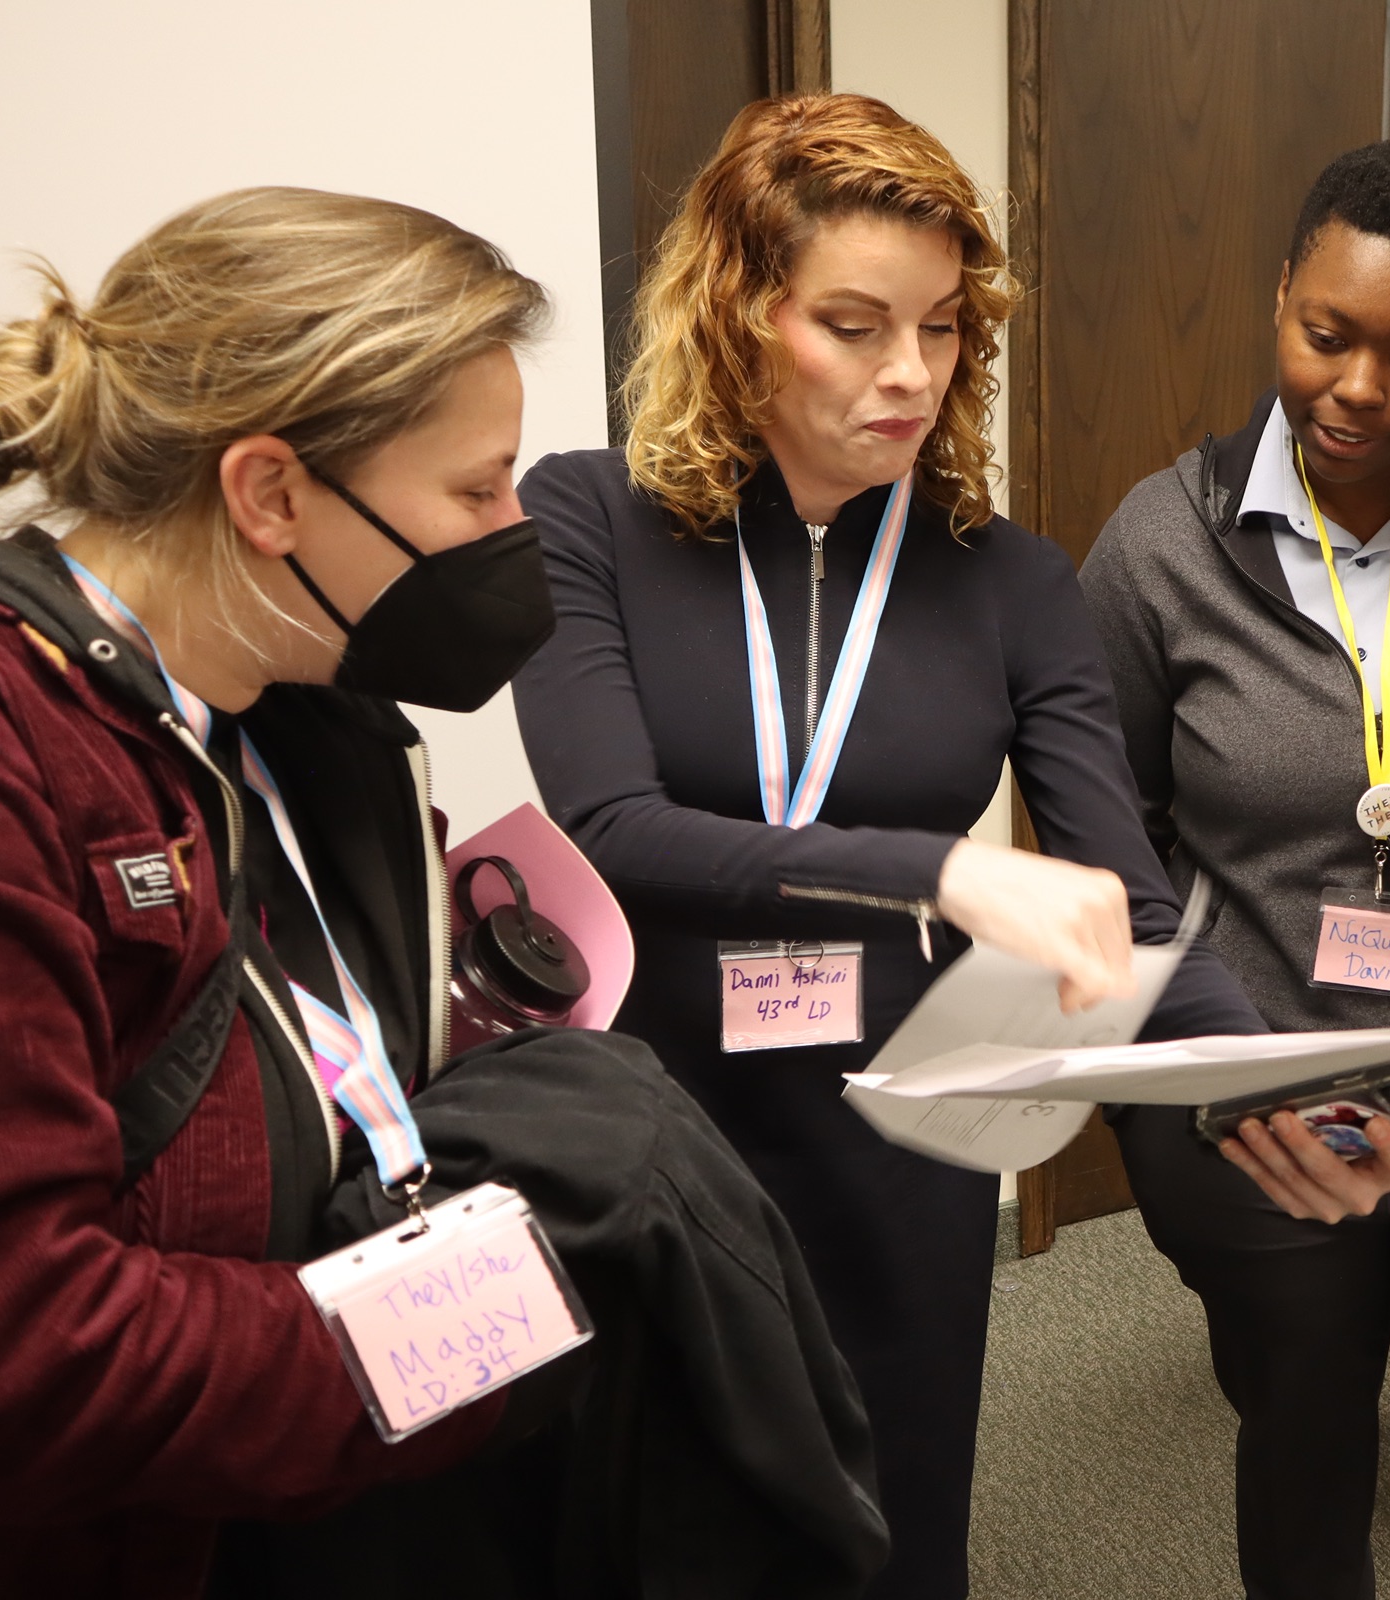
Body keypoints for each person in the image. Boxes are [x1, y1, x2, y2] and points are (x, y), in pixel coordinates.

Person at [0, 187, 885, 1600]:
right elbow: (27, 1362)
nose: (513, 535)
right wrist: (488, 1323)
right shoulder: (0, 756)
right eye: (476, 492)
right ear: (270, 494)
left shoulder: (304, 727)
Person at [511, 92, 1279, 1599]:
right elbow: (615, 830)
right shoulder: (588, 518)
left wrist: (1275, 1087)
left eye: (940, 326)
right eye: (854, 325)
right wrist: (942, 869)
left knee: (891, 1521)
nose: (910, 373)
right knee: (664, 1526)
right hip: (662, 1127)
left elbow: (1127, 903)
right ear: (738, 315)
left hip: (908, 1137)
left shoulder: (1011, 581)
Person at [1079, 141, 1390, 1600]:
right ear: (1281, 292)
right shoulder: (1161, 545)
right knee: (1301, 1444)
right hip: (1272, 1098)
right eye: (1327, 335)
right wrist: (1178, 1083)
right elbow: (1112, 830)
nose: (1359, 389)